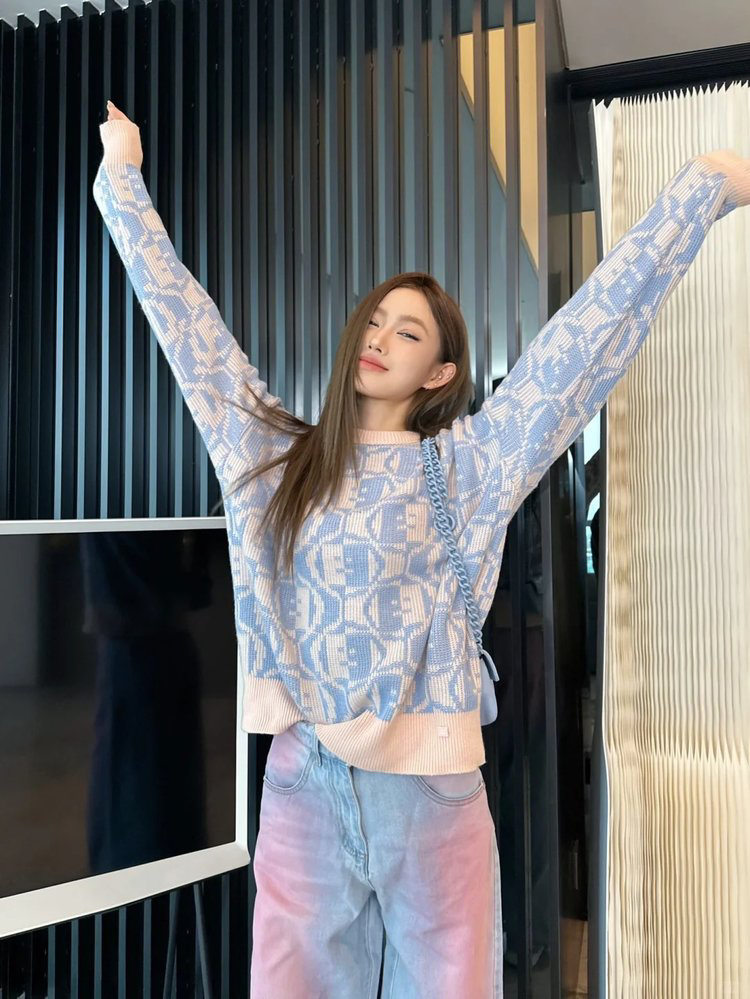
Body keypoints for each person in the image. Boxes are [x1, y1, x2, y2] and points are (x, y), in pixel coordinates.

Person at [94, 101, 750, 998]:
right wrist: (121, 179)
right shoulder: (272, 455)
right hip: (302, 780)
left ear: (440, 371)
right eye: (374, 321)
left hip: (431, 794)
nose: (379, 338)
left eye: (408, 332)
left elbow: (581, 347)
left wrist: (702, 191)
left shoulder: (470, 465)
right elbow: (190, 331)